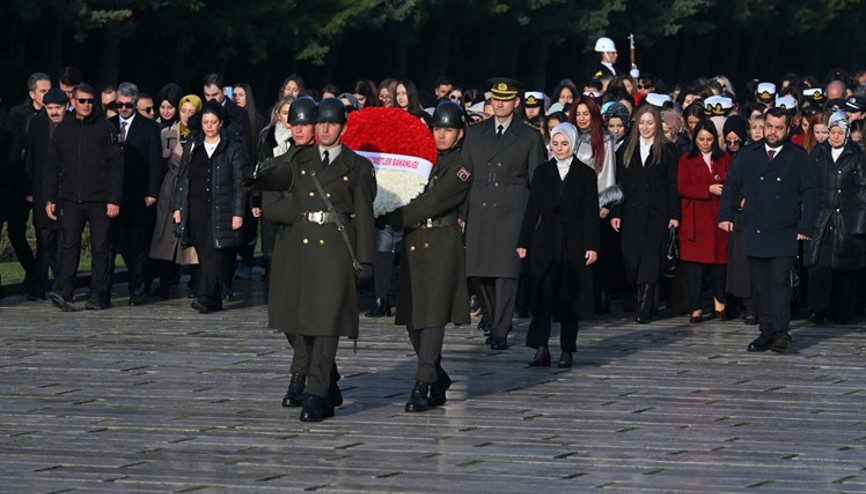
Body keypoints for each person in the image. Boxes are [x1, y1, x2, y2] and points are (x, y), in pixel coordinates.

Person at [249, 98, 376, 422]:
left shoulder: (358, 166)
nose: (324, 128)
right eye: (321, 123)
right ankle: (328, 385)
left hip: (335, 248)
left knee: (326, 324)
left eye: (331, 123)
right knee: (298, 321)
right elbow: (272, 191)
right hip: (301, 248)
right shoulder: (298, 161)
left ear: (343, 128)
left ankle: (316, 393)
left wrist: (366, 260)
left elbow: (363, 216)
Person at [385, 100, 472, 412]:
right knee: (412, 316)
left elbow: (433, 201)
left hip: (439, 242)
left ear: (459, 134)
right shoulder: (421, 160)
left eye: (448, 130)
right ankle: (435, 375)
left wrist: (393, 217)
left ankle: (422, 382)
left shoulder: (461, 166)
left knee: (433, 317)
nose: (442, 135)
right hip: (413, 242)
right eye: (438, 129)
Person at [719, 107, 819, 353]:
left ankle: (782, 332)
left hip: (785, 229)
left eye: (779, 127)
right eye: (769, 126)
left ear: (788, 128)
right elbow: (731, 184)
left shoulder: (797, 156)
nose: (773, 132)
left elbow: (811, 192)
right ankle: (766, 332)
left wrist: (806, 226)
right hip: (754, 228)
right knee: (760, 284)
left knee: (779, 282)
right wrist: (725, 215)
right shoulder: (748, 154)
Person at [462, 77, 546, 350]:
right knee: (478, 272)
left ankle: (500, 328)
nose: (500, 103)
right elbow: (464, 174)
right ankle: (490, 315)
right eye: (496, 99)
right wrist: (462, 211)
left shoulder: (529, 135)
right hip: (480, 206)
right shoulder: (475, 133)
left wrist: (535, 219)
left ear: (516, 102)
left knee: (506, 273)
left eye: (506, 99)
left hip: (512, 209)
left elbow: (538, 181)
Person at [517, 122, 599, 368]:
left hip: (573, 241)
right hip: (545, 240)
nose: (560, 148)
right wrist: (523, 241)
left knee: (569, 298)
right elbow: (532, 209)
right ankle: (541, 348)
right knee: (542, 295)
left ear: (573, 144)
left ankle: (566, 350)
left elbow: (590, 213)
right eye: (555, 143)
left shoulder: (586, 174)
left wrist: (592, 246)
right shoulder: (542, 172)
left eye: (564, 144)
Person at [254, 96, 318, 408]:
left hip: (322, 247)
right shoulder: (278, 163)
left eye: (307, 123)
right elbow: (272, 206)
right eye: (296, 123)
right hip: (290, 244)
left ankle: (300, 375)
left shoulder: (327, 161)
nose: (301, 129)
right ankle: (321, 370)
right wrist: (308, 210)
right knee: (287, 317)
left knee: (312, 316)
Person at [45, 83, 123, 311]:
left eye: (90, 101)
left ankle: (99, 295)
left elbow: (116, 166)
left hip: (100, 200)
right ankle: (65, 291)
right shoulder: (63, 130)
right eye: (82, 101)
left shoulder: (106, 128)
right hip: (70, 199)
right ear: (73, 102)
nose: (87, 105)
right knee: (69, 245)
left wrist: (114, 199)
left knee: (100, 248)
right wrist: (50, 198)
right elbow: (52, 166)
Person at [172, 102, 247, 313]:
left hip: (220, 206)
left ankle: (205, 297)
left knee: (214, 251)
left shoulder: (232, 148)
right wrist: (178, 207)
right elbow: (183, 178)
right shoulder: (193, 146)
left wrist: (238, 213)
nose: (209, 126)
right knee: (202, 250)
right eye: (205, 122)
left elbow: (239, 183)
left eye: (213, 122)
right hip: (195, 206)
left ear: (221, 123)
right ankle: (214, 299)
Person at [610, 104, 681, 323]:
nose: (646, 127)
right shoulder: (625, 150)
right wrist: (616, 212)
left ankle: (644, 308)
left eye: (650, 123)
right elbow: (619, 184)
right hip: (632, 211)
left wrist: (674, 214)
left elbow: (672, 184)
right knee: (632, 257)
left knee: (650, 259)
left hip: (657, 212)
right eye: (642, 123)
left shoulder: (668, 149)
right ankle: (640, 298)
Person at [806, 111, 866, 324]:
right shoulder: (818, 153)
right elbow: (809, 187)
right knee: (819, 266)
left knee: (845, 268)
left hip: (847, 220)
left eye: (840, 132)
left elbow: (862, 192)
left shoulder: (856, 157)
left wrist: (859, 226)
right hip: (822, 218)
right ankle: (817, 309)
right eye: (833, 132)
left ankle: (842, 311)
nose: (836, 137)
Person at [107, 82, 162, 305]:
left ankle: (137, 291)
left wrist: (152, 191)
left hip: (140, 194)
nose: (123, 108)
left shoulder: (148, 127)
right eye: (119, 104)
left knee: (138, 245)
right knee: (116, 243)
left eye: (128, 105)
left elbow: (155, 162)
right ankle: (106, 289)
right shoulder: (109, 125)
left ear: (135, 103)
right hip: (114, 194)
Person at [677, 120, 731, 323]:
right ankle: (695, 305)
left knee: (719, 262)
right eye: (701, 139)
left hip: (717, 216)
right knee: (694, 266)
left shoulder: (724, 158)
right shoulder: (686, 159)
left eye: (709, 139)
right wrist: (707, 189)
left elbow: (731, 181)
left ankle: (720, 300)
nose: (705, 143)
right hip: (694, 216)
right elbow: (682, 187)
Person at [149, 94, 201, 299]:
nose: (187, 115)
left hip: (191, 187)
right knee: (166, 234)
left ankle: (196, 282)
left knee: (192, 235)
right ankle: (164, 282)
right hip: (170, 186)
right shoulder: (166, 133)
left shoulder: (201, 134)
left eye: (191, 111)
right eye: (184, 110)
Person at [24, 87, 67, 300]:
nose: (54, 112)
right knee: (44, 239)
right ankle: (40, 284)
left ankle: (60, 284)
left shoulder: (71, 125)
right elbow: (30, 157)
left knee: (62, 239)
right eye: (49, 108)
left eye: (57, 108)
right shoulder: (37, 124)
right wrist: (29, 190)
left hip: (66, 192)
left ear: (66, 106)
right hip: (41, 190)